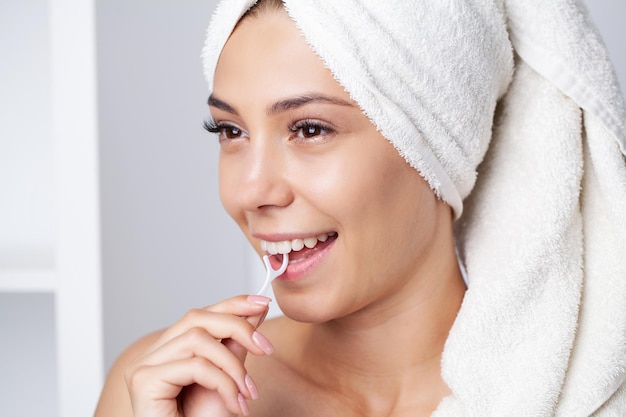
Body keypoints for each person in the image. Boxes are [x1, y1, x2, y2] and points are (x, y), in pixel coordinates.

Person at [94, 0, 626, 416]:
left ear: (435, 147)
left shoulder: (582, 397)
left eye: (309, 129)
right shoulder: (157, 391)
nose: (251, 191)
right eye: (230, 131)